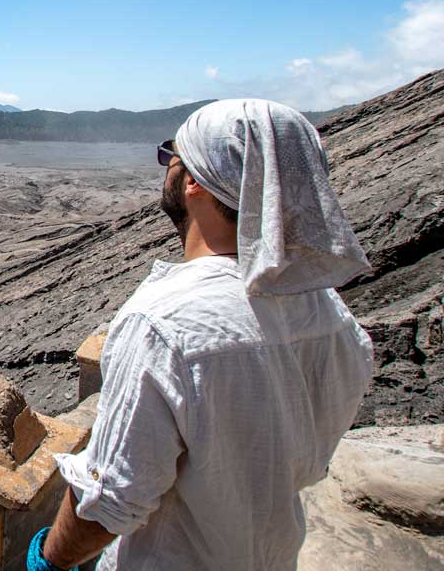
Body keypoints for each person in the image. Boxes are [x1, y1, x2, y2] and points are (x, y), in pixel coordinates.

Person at [33, 99, 374, 571]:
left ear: (193, 180)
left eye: (170, 155)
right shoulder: (332, 314)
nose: (165, 167)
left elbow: (109, 500)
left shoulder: (164, 324)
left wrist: (49, 561)